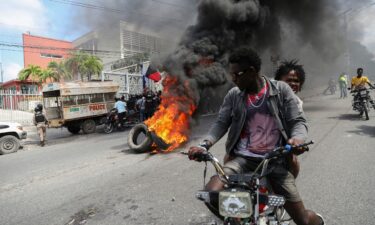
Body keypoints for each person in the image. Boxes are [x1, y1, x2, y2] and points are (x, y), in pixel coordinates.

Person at [188, 47, 324, 225]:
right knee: (212, 194)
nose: (233, 79)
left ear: (252, 72)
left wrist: (297, 139)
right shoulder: (234, 95)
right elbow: (221, 123)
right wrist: (205, 145)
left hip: (274, 161)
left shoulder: (281, 90)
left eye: (237, 74)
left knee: (303, 220)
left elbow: (298, 121)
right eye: (232, 74)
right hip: (242, 160)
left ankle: (319, 221)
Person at [274, 60, 306, 177]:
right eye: (288, 80)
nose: (292, 83)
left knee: (294, 163)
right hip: (258, 143)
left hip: (282, 145)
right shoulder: (267, 95)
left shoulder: (298, 103)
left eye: (296, 81)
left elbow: (298, 124)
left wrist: (297, 140)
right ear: (278, 82)